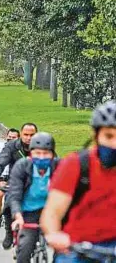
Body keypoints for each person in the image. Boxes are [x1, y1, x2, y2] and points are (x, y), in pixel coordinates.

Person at [40, 100, 116, 263]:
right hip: (79, 248)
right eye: (109, 136)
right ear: (96, 136)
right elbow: (52, 213)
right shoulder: (76, 165)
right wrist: (54, 235)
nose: (114, 144)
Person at [10, 132, 58, 263]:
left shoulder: (59, 167)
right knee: (24, 249)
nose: (41, 157)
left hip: (54, 214)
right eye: (37, 153)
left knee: (65, 252)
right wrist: (18, 216)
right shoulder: (22, 166)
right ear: (31, 154)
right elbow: (14, 195)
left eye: (46, 153)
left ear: (53, 154)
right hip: (29, 214)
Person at [0, 122, 38, 249]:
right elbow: (0, 163)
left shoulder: (43, 145)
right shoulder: (12, 147)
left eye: (32, 135)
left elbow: (55, 165)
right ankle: (9, 233)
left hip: (38, 183)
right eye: (26, 135)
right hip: (16, 182)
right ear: (21, 135)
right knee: (8, 205)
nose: (29, 138)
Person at [0, 128, 20, 230]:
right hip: (2, 177)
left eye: (14, 138)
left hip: (16, 179)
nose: (11, 139)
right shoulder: (1, 147)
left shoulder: (21, 150)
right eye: (9, 137)